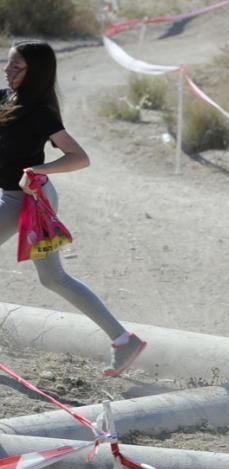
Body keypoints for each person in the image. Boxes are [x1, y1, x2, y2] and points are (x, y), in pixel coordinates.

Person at [0, 40, 146, 377]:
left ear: (34, 73)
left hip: (29, 201)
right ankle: (123, 340)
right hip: (15, 197)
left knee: (55, 278)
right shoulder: (5, 98)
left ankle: (124, 340)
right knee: (54, 279)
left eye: (16, 68)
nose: (8, 72)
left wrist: (38, 170)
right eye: (8, 64)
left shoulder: (40, 112)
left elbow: (79, 157)